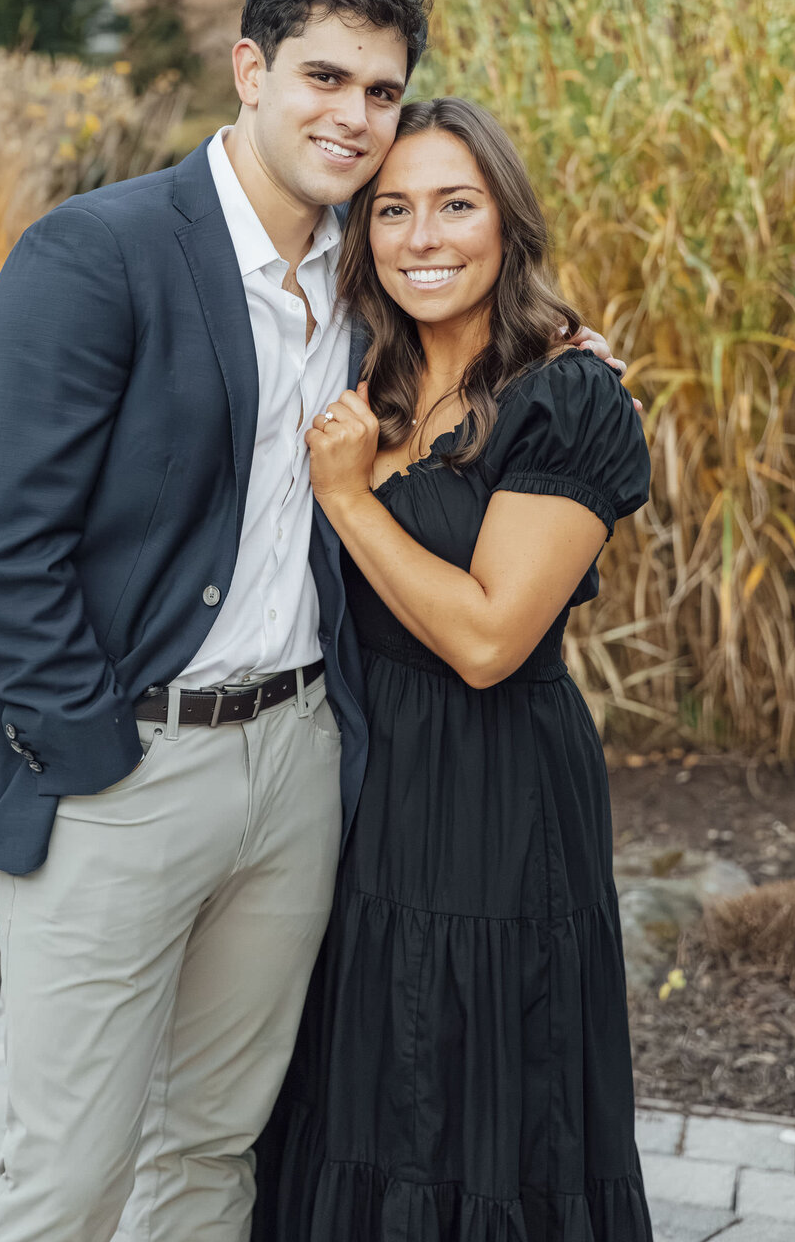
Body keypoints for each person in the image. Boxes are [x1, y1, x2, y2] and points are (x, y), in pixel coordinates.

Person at [0, 0, 630, 1242]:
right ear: (251, 69)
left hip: (304, 767)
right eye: (324, 77)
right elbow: (1, 545)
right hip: (131, 770)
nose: (353, 115)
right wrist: (94, 757)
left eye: (381, 90)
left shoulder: (367, 275)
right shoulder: (100, 251)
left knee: (219, 1146)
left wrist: (560, 345)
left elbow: (476, 340)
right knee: (70, 1175)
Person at [252, 97, 654, 1242]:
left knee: (477, 1097)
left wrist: (350, 500)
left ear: (507, 223)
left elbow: (487, 642)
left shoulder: (565, 396)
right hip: (359, 786)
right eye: (392, 210)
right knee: (360, 1086)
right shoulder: (356, 376)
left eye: (456, 205)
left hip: (496, 799)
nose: (423, 237)